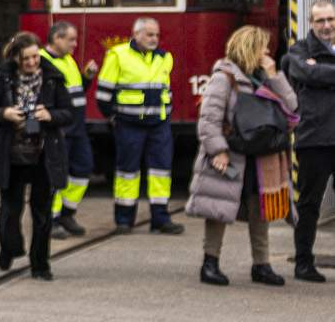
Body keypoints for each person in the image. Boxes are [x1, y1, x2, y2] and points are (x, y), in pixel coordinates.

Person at [189, 25, 299, 286]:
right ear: (249, 48)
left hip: (261, 156)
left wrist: (275, 75)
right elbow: (209, 119)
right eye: (262, 46)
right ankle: (210, 263)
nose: (267, 51)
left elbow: (292, 110)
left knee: (260, 210)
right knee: (218, 210)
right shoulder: (224, 77)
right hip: (231, 154)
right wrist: (218, 151)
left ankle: (261, 265)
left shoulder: (264, 76)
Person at [0, 31, 73, 281]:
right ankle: (9, 247)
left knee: (42, 214)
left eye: (35, 57)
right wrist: (5, 113)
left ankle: (40, 265)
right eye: (26, 59)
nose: (32, 63)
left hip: (44, 155)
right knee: (10, 210)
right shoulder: (2, 77)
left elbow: (69, 113)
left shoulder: (53, 78)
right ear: (15, 59)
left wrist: (50, 115)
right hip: (11, 156)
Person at [96, 16, 183, 233]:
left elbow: (166, 91)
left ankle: (160, 219)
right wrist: (114, 118)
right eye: (149, 34)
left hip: (159, 125)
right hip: (129, 124)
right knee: (127, 172)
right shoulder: (118, 55)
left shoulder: (165, 58)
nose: (154, 39)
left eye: (157, 35)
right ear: (137, 34)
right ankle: (124, 220)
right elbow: (103, 94)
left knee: (161, 172)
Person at [280, 0, 335, 283]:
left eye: (330, 20)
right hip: (315, 138)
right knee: (310, 203)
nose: (326, 26)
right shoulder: (299, 51)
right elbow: (304, 72)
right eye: (320, 21)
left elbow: (316, 75)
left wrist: (320, 75)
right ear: (311, 24)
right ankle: (303, 263)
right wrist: (315, 73)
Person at [42, 21, 95, 239]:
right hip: (58, 130)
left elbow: (75, 90)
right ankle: (50, 220)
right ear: (57, 39)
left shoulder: (67, 59)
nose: (75, 44)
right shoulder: (43, 62)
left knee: (83, 169)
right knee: (54, 175)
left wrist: (87, 78)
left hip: (76, 128)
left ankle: (67, 213)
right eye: (71, 40)